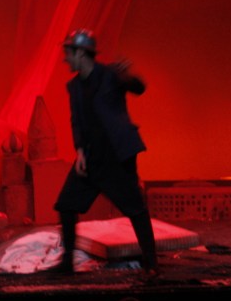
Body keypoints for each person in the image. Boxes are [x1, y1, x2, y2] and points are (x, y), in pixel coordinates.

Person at [53, 29, 157, 275]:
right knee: (66, 204)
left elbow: (139, 88)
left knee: (135, 207)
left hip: (116, 155)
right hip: (91, 156)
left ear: (81, 53)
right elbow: (76, 121)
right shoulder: (74, 87)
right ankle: (67, 263)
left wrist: (126, 76)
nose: (66, 59)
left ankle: (151, 264)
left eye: (69, 53)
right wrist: (79, 151)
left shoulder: (110, 75)